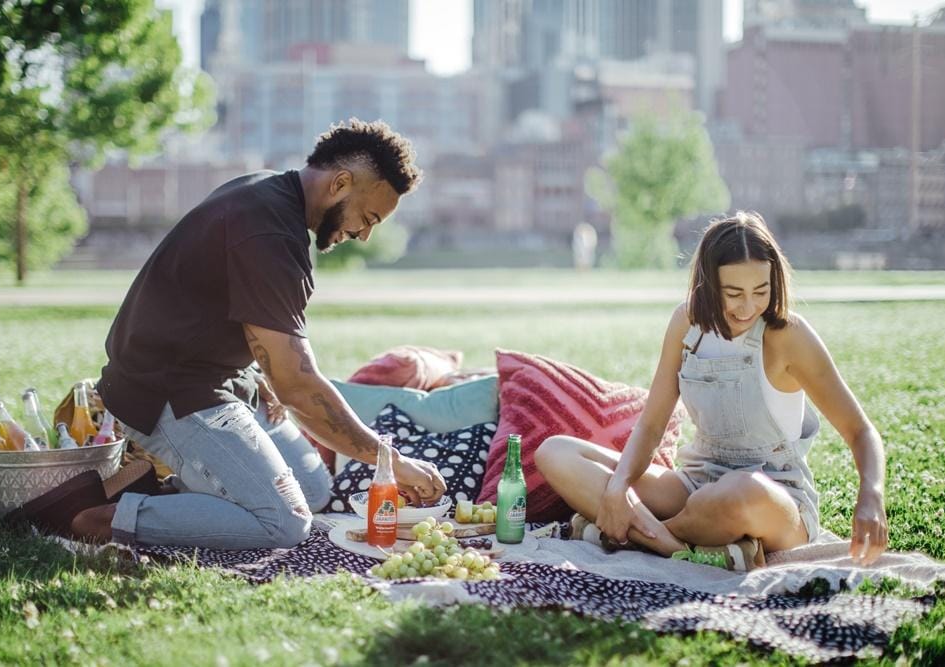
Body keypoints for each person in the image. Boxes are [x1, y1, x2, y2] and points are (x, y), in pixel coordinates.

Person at [70, 119, 447, 547]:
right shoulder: (268, 232)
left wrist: (260, 373)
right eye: (368, 217)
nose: (364, 234)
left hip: (222, 381)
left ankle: (193, 493)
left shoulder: (268, 192)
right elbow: (298, 386)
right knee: (284, 523)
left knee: (313, 490)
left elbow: (224, 315)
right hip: (168, 394)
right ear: (341, 183)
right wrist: (391, 461)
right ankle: (109, 518)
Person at [535, 212, 888, 570]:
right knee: (556, 453)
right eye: (733, 293)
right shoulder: (687, 324)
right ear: (706, 283)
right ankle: (683, 545)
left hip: (771, 499)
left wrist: (871, 495)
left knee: (739, 492)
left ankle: (640, 535)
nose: (748, 307)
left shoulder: (789, 336)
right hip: (696, 483)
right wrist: (618, 488)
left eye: (761, 291)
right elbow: (651, 426)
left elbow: (861, 431)